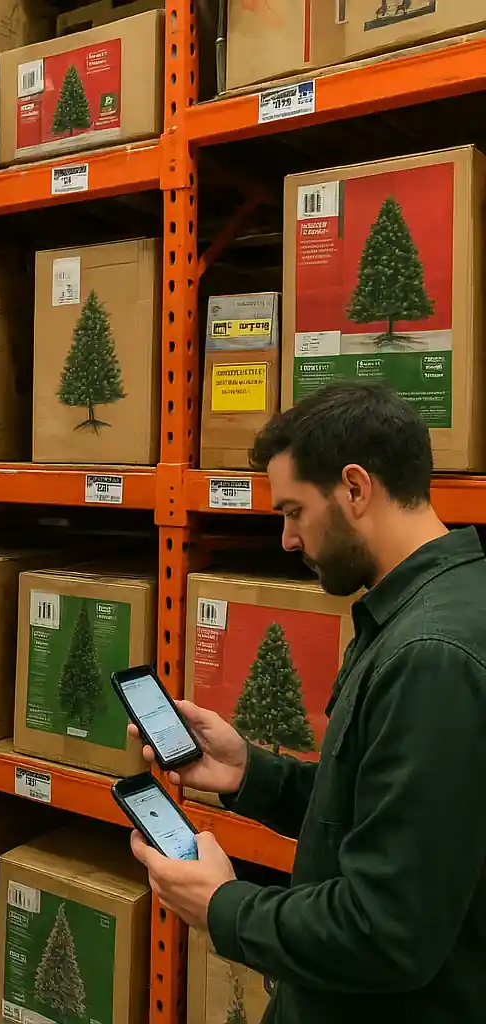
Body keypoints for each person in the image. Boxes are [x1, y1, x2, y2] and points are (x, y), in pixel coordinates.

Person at [130, 383, 486, 1022]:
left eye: (294, 511)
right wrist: (249, 773)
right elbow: (381, 812)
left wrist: (222, 904)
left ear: (354, 489)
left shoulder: (431, 654)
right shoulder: (423, 610)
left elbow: (387, 932)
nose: (288, 539)